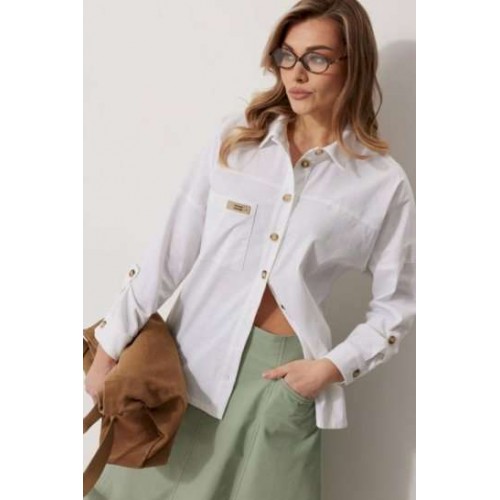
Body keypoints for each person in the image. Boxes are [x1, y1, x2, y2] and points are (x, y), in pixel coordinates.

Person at [84, 0, 416, 498]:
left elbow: (400, 302)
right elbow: (169, 254)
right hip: (187, 364)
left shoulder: (380, 184)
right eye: (287, 56)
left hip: (279, 379)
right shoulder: (237, 141)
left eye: (317, 58)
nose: (296, 73)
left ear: (355, 64)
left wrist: (331, 367)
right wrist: (110, 347)